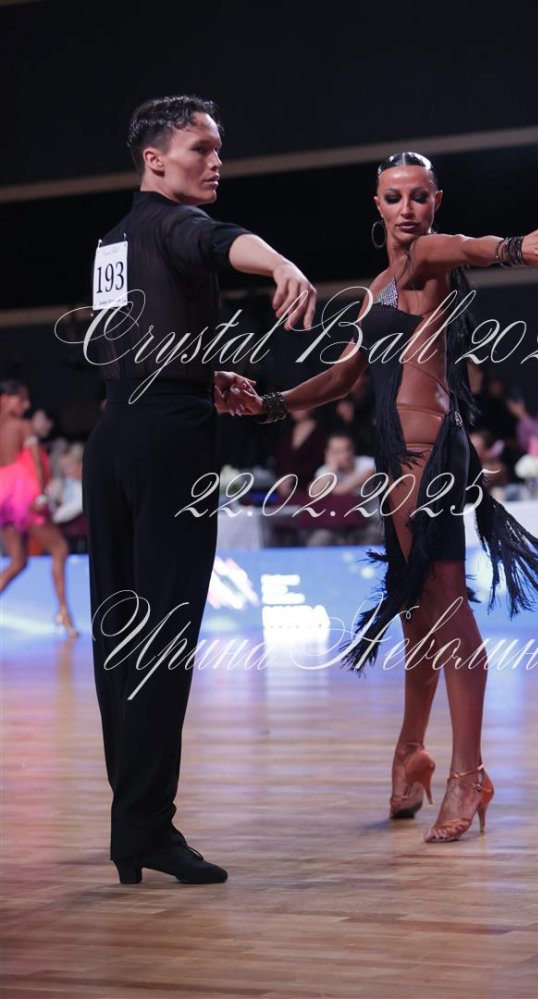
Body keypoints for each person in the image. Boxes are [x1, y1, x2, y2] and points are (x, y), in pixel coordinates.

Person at [239, 151, 538, 845]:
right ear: (376, 204)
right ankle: (410, 754)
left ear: (437, 200)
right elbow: (342, 377)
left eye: (419, 196)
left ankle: (469, 773)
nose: (407, 209)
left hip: (428, 455)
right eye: (394, 197)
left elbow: (463, 246)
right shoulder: (380, 286)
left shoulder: (428, 259)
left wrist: (513, 248)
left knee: (447, 610)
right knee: (416, 616)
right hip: (398, 459)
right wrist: (271, 404)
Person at [81, 95, 316, 885]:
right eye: (200, 148)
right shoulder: (177, 222)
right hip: (169, 444)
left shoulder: (113, 241)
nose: (216, 161)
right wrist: (279, 264)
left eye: (219, 149)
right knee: (162, 637)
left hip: (114, 435)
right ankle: (146, 825)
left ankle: (133, 823)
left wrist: (194, 373)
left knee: (120, 637)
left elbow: (127, 343)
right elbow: (217, 240)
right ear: (155, 159)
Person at [0, 379, 79, 637]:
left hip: (3, 499)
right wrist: (42, 495)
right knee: (60, 549)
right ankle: (63, 612)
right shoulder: (22, 426)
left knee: (18, 562)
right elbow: (36, 463)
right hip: (23, 497)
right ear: (6, 398)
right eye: (22, 399)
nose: (26, 405)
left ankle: (63, 613)